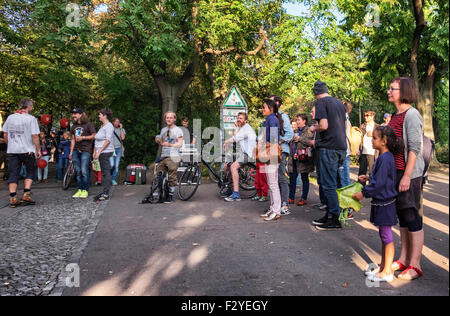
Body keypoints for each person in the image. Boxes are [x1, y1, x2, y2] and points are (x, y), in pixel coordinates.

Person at [353, 126, 403, 282]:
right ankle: (383, 267)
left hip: (385, 203)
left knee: (386, 236)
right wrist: (367, 179)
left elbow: (380, 183)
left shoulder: (385, 158)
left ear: (384, 141)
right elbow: (382, 178)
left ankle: (388, 272)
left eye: (374, 138)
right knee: (383, 235)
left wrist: (363, 193)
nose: (371, 140)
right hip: (382, 202)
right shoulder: (383, 157)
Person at [387, 77, 425, 281]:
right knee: (402, 216)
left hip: (409, 174)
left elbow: (415, 148)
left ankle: (415, 264)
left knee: (411, 216)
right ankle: (403, 258)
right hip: (397, 172)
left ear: (404, 91)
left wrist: (407, 176)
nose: (388, 92)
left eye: (392, 89)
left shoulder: (412, 114)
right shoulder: (395, 114)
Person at [310, 80, 347, 230]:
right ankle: (330, 215)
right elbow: (344, 126)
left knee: (328, 184)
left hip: (328, 147)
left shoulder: (320, 102)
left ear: (315, 92)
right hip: (341, 147)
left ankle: (334, 219)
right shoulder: (339, 103)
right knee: (335, 183)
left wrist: (314, 128)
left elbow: (323, 125)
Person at [2, 98, 41, 208]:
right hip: (27, 149)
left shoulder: (10, 117)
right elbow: (34, 136)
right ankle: (26, 194)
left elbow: (5, 134)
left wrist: (10, 144)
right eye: (32, 106)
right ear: (28, 106)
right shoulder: (31, 119)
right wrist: (38, 149)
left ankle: (13, 197)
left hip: (13, 150)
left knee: (13, 173)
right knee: (30, 171)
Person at [223, 112, 257, 202]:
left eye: (241, 118)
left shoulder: (246, 129)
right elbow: (235, 136)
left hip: (249, 154)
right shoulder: (243, 128)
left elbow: (234, 139)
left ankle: (236, 194)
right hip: (245, 152)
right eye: (238, 118)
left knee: (234, 167)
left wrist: (225, 142)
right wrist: (237, 127)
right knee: (229, 164)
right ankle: (229, 188)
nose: (238, 119)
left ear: (245, 120)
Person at [258, 99, 282, 222]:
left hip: (272, 153)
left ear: (271, 109)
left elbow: (273, 138)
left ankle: (276, 211)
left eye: (264, 107)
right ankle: (273, 208)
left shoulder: (272, 119)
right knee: (271, 183)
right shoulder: (270, 119)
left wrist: (266, 147)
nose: (262, 110)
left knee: (273, 184)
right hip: (270, 153)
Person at [269, 95, 294, 215]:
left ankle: (285, 204)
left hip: (281, 150)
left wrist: (279, 141)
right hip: (272, 151)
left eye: (272, 101)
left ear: (277, 103)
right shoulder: (270, 117)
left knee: (280, 177)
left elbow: (290, 134)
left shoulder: (283, 116)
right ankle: (275, 206)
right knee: (273, 179)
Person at [155, 111, 184, 204]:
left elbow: (180, 144)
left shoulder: (178, 130)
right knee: (158, 174)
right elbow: (162, 142)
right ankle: (160, 191)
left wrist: (170, 144)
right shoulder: (163, 130)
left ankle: (170, 195)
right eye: (167, 117)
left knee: (172, 174)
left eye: (171, 118)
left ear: (174, 119)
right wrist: (158, 140)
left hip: (173, 156)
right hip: (164, 155)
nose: (169, 119)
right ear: (165, 119)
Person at [70, 108, 96, 198]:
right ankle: (79, 190)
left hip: (86, 150)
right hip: (75, 151)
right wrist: (71, 151)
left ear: (80, 115)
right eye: (73, 114)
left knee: (84, 170)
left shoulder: (88, 124)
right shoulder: (73, 126)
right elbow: (73, 139)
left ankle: (85, 190)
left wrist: (83, 137)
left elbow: (94, 136)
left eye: (75, 114)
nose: (73, 115)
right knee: (78, 171)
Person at [288, 114, 314, 206]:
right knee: (292, 178)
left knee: (304, 178)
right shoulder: (295, 131)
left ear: (304, 121)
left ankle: (304, 198)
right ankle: (291, 197)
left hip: (303, 158)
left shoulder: (309, 131)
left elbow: (310, 143)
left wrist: (300, 139)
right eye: (297, 120)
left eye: (299, 120)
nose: (297, 122)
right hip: (293, 157)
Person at [93, 109, 115, 201]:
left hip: (105, 153)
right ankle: (104, 191)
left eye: (100, 114)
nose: (99, 116)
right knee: (105, 173)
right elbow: (97, 140)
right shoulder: (102, 126)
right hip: (101, 153)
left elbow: (108, 140)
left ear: (105, 116)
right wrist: (95, 151)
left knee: (106, 173)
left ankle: (106, 193)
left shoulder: (109, 126)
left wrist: (99, 151)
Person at [358, 110, 379, 179]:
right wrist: (358, 149)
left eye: (367, 115)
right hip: (363, 152)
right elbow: (359, 138)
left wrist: (373, 134)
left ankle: (372, 189)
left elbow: (381, 138)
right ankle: (360, 189)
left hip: (372, 153)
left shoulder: (377, 127)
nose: (365, 117)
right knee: (361, 174)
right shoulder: (362, 126)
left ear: (372, 116)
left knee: (372, 173)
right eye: (364, 115)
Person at [338, 101, 352, 188]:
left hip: (344, 151)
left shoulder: (344, 117)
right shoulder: (345, 117)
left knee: (344, 178)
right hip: (344, 150)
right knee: (342, 177)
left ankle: (347, 200)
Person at [109, 117, 126, 185]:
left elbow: (123, 137)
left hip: (119, 149)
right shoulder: (110, 129)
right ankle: (109, 178)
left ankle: (113, 179)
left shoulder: (121, 129)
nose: (117, 123)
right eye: (116, 121)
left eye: (118, 122)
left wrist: (121, 128)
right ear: (113, 122)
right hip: (111, 149)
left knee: (116, 166)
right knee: (111, 165)